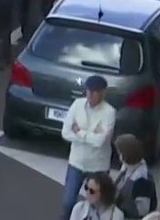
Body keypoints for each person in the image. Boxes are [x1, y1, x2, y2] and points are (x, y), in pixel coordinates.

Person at [60, 75, 117, 220]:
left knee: (97, 204)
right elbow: (65, 132)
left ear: (103, 92)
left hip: (97, 167)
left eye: (95, 91)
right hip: (76, 162)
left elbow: (100, 141)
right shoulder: (77, 105)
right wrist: (91, 135)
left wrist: (79, 131)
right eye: (89, 90)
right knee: (68, 202)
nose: (90, 94)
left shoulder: (109, 112)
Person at [110, 134, 157, 218]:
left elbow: (143, 211)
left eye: (119, 152)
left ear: (124, 155)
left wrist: (122, 204)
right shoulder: (126, 167)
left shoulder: (142, 181)